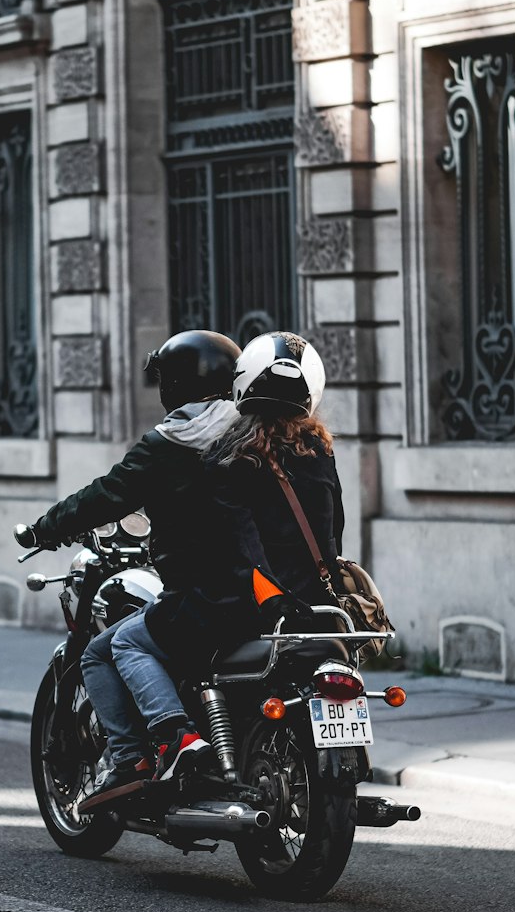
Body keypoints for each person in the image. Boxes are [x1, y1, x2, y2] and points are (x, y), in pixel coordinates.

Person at [24, 330, 240, 807]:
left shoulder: (171, 443)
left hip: (205, 596)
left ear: (176, 385)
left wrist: (44, 529)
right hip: (268, 593)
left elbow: (105, 495)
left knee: (110, 647)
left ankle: (141, 754)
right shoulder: (256, 434)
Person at [107, 330, 341, 769]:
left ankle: (179, 739)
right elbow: (333, 536)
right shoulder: (319, 452)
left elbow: (233, 544)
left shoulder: (229, 457)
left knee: (127, 642)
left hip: (242, 606)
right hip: (316, 606)